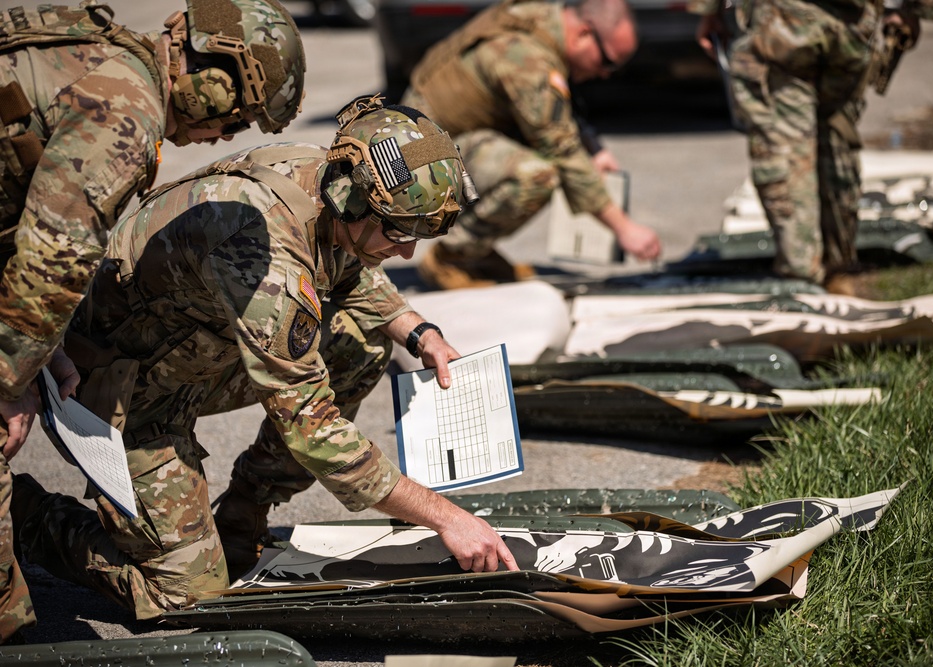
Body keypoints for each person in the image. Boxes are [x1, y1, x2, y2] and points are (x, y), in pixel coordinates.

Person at [10, 95, 518, 620]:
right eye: (401, 233)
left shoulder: (324, 174)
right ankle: (22, 512)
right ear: (356, 200)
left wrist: (419, 333)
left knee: (361, 343)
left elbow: (349, 260)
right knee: (186, 597)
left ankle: (245, 510)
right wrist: (444, 517)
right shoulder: (263, 256)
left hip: (188, 352)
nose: (409, 253)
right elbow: (311, 425)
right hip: (118, 394)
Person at [0, 0, 306, 642]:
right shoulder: (127, 112)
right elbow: (51, 259)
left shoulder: (102, 60)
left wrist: (43, 346)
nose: (229, 134)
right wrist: (9, 382)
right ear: (214, 74)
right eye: (239, 112)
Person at [401, 0, 662, 290]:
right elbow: (561, 149)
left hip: (435, 139)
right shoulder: (527, 58)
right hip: (418, 159)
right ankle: (451, 256)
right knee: (537, 175)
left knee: (543, 157)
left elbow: (552, 108)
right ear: (584, 34)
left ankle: (476, 252)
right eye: (608, 63)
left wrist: (594, 148)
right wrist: (624, 229)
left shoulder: (541, 19)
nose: (605, 74)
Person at [690, 0, 933, 292]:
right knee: (834, 134)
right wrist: (913, 10)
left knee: (786, 148)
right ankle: (840, 272)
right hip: (851, 24)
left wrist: (709, 11)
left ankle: (804, 283)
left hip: (784, 23)